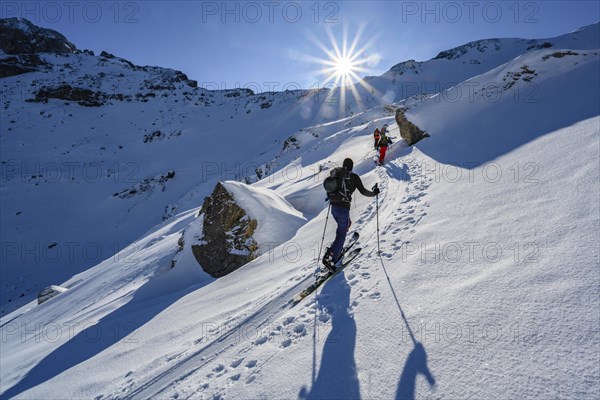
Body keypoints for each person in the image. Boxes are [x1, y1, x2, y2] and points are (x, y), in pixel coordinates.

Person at [323, 158, 380, 272]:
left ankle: (336, 248)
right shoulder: (354, 177)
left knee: (345, 225)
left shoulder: (337, 175)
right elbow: (363, 191)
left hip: (334, 208)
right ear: (352, 166)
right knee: (341, 235)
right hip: (343, 209)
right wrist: (374, 193)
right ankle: (330, 257)